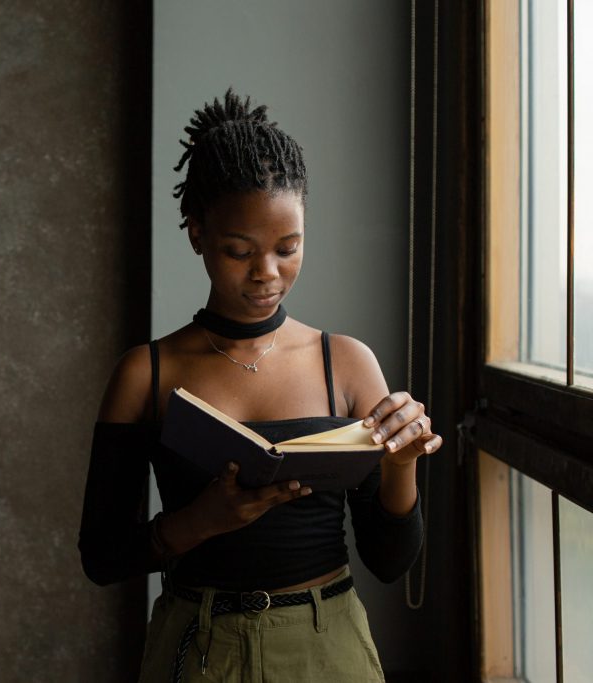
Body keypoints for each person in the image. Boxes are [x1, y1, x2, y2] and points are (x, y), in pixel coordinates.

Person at [78, 90, 442, 682]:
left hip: (326, 647)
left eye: (287, 248)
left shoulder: (347, 363)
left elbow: (389, 560)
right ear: (197, 234)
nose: (266, 273)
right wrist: (201, 521)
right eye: (238, 251)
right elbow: (101, 557)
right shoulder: (145, 373)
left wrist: (401, 465)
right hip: (199, 645)